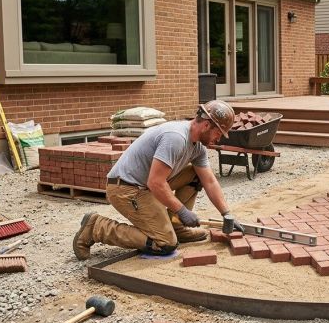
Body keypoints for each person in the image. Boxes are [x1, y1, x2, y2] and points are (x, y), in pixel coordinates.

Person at [73, 100, 242, 260]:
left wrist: (226, 214)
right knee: (165, 244)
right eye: (218, 133)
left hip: (147, 186)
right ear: (206, 125)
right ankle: (97, 227)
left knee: (196, 175)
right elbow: (156, 183)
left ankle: (176, 226)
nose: (218, 139)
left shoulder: (198, 147)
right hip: (126, 188)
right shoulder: (176, 138)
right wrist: (182, 211)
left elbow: (209, 181)